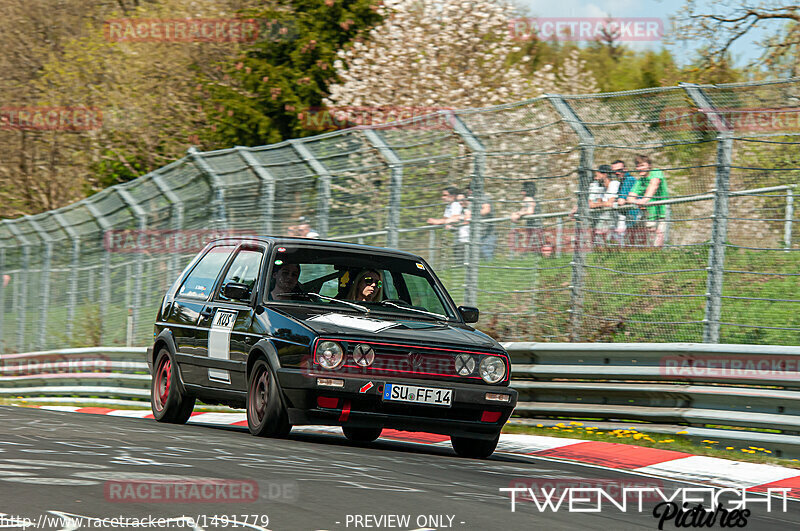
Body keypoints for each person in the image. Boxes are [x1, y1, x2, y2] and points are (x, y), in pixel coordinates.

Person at [618, 154, 669, 247]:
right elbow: (630, 197)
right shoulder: (640, 181)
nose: (639, 168)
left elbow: (654, 185)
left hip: (662, 210)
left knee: (660, 233)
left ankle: (660, 254)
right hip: (650, 213)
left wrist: (644, 199)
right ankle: (654, 254)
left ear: (649, 165)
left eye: (642, 165)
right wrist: (638, 201)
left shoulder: (656, 172)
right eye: (637, 166)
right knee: (651, 233)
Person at [510, 180, 552, 256]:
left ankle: (548, 256)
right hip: (534, 226)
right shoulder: (532, 198)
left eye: (523, 190)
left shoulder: (528, 199)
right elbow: (524, 210)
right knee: (537, 244)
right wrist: (516, 213)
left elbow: (530, 211)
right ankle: (543, 257)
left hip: (534, 226)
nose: (521, 192)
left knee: (539, 244)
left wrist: (518, 214)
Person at [426, 186, 464, 264]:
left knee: (462, 261)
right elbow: (445, 218)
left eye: (445, 195)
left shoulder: (456, 205)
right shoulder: (449, 206)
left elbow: (454, 218)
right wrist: (438, 221)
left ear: (452, 196)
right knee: (458, 261)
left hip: (463, 238)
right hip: (457, 238)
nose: (443, 197)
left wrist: (436, 221)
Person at [588, 164, 620, 245]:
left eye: (598, 173)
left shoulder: (614, 184)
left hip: (612, 217)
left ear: (604, 174)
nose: (596, 176)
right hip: (601, 216)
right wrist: (602, 204)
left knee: (610, 237)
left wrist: (599, 204)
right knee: (598, 236)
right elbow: (591, 204)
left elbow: (609, 203)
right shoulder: (599, 186)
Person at [465, 185, 497, 261]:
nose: (469, 192)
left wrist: (473, 215)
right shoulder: (471, 201)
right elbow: (467, 215)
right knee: (476, 259)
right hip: (476, 233)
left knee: (487, 256)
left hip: (488, 234)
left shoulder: (484, 198)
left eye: (470, 190)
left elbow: (486, 210)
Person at [611, 159, 639, 244]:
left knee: (630, 240)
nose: (617, 173)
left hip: (632, 214)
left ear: (625, 169)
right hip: (628, 215)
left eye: (619, 170)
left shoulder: (629, 180)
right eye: (614, 172)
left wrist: (612, 202)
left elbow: (621, 200)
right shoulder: (622, 181)